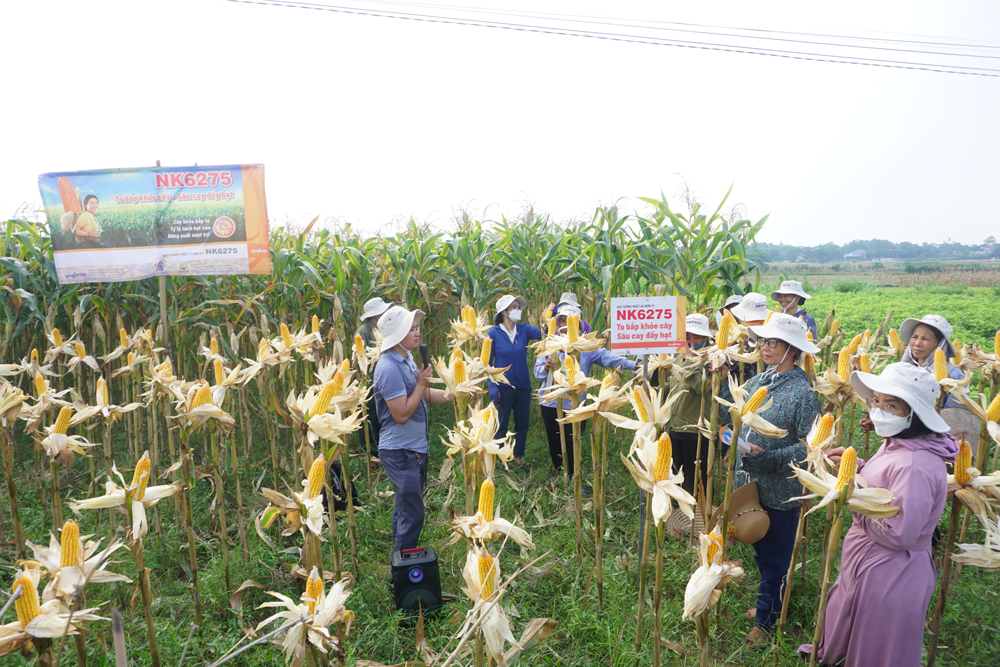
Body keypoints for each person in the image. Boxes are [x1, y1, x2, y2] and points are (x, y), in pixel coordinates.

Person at [800, 363, 958, 667]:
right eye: (876, 401)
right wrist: (856, 469)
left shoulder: (914, 464)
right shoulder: (903, 443)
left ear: (914, 413)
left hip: (892, 573)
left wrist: (851, 499)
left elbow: (900, 533)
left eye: (891, 405)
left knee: (876, 646)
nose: (878, 410)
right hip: (873, 565)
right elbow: (887, 491)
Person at [721, 312, 821, 645]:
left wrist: (765, 456)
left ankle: (766, 624)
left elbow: (810, 448)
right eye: (763, 340)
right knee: (759, 549)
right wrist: (721, 380)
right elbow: (733, 412)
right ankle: (768, 604)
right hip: (750, 484)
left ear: (792, 349)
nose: (764, 346)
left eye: (773, 342)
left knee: (776, 556)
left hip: (781, 488)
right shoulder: (758, 380)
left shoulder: (803, 393)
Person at [373, 305, 455, 552]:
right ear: (397, 335)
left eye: (417, 327)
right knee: (414, 513)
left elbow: (425, 395)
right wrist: (420, 384)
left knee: (406, 508)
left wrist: (455, 395)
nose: (417, 333)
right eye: (411, 329)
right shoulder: (388, 368)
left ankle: (399, 567)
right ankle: (401, 571)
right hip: (399, 451)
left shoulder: (407, 359)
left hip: (415, 448)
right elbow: (401, 414)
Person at [533, 304, 636, 475]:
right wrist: (545, 367)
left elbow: (607, 357)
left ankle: (575, 475)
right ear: (557, 324)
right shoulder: (548, 346)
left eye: (570, 322)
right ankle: (561, 474)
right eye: (562, 321)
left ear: (578, 326)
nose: (565, 326)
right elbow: (538, 374)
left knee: (575, 441)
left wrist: (633, 364)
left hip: (576, 405)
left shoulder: (586, 349)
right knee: (555, 441)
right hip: (551, 404)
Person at [487, 294, 542, 467]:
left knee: (522, 423)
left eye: (519, 307)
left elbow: (545, 334)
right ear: (504, 311)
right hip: (503, 386)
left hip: (523, 385)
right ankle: (501, 458)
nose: (518, 310)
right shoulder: (494, 333)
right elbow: (488, 363)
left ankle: (517, 458)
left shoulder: (524, 329)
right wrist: (493, 388)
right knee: (501, 424)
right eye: (514, 307)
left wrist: (552, 313)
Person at [667, 313, 714, 496]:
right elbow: (674, 383)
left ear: (706, 339)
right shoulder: (680, 357)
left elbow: (700, 387)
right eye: (687, 337)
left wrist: (690, 360)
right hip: (677, 427)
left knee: (695, 480)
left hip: (696, 430)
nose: (692, 342)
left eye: (697, 337)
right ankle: (680, 517)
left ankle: (699, 519)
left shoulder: (711, 360)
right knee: (678, 476)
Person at [356, 297, 392, 459]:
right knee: (369, 416)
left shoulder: (381, 328)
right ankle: (371, 454)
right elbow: (360, 359)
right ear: (376, 314)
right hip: (368, 380)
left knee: (381, 415)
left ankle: (382, 450)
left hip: (382, 377)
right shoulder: (363, 331)